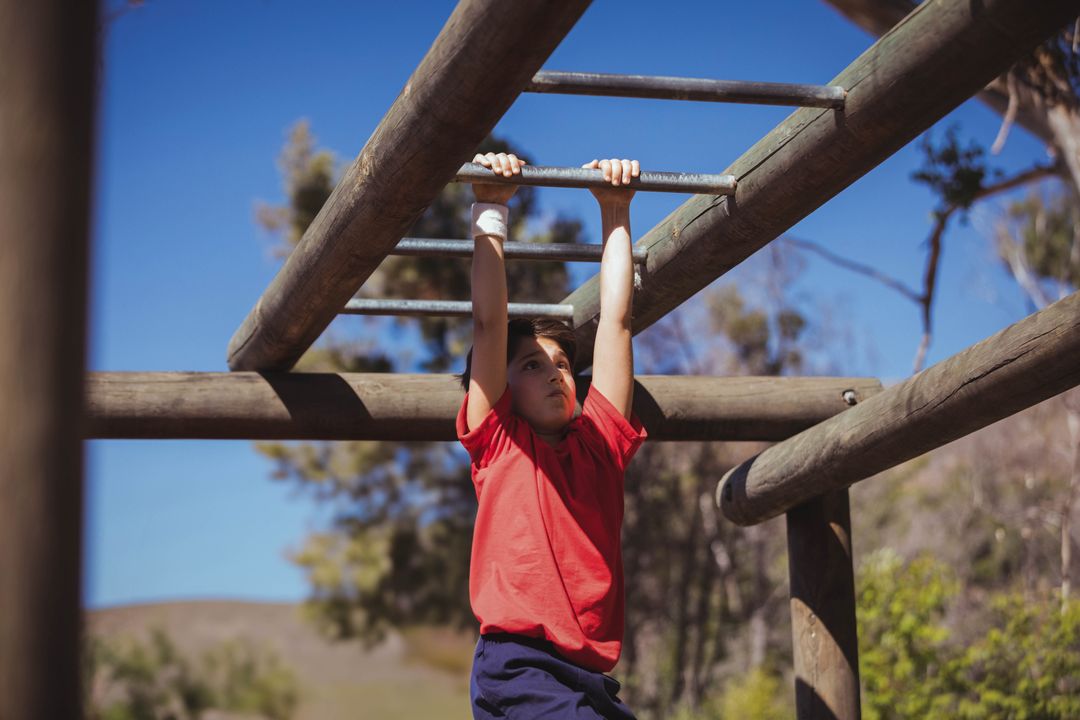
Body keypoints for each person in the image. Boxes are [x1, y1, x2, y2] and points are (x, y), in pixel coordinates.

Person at [457, 151, 648, 719]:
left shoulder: (601, 447)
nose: (555, 374)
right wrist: (490, 209)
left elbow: (615, 322)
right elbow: (490, 325)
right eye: (532, 366)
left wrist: (615, 211)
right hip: (519, 667)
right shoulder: (499, 444)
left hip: (587, 676)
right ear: (499, 387)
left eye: (562, 364)